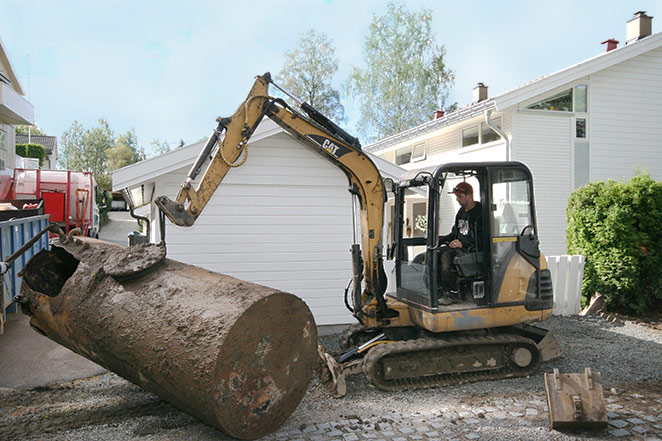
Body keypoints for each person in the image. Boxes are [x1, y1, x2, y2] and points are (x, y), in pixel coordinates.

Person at [438, 182, 482, 305]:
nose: (457, 199)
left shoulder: (480, 213)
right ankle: (438, 290)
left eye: (459, 196)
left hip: (471, 249)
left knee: (446, 257)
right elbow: (454, 233)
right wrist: (438, 240)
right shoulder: (461, 212)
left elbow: (482, 237)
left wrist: (462, 243)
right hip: (459, 247)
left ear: (469, 195)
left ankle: (451, 293)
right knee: (435, 252)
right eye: (456, 197)